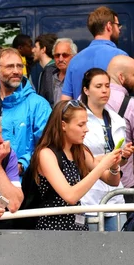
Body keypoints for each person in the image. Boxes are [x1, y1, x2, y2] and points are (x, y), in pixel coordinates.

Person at [29, 100, 122, 230]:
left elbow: (112, 181)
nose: (86, 129)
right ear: (63, 125)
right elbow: (70, 196)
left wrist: (114, 166)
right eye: (81, 125)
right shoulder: (46, 154)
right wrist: (103, 165)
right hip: (53, 229)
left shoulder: (79, 150)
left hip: (77, 227)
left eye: (86, 124)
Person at [0, 47, 51, 174]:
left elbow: (47, 145)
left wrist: (22, 164)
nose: (16, 71)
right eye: (10, 66)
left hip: (23, 181)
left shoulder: (38, 104)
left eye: (19, 66)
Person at [79, 68, 132, 230]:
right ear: (86, 90)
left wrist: (123, 157)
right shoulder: (79, 119)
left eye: (107, 86)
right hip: (88, 196)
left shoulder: (117, 120)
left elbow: (117, 164)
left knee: (118, 250)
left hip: (114, 196)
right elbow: (77, 157)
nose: (104, 90)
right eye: (99, 86)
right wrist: (107, 159)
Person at [61, 6, 127, 101]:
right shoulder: (121, 57)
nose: (119, 29)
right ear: (109, 26)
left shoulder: (74, 60)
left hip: (80, 115)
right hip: (111, 115)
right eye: (117, 25)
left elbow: (65, 100)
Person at [106, 55, 134, 194]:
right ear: (121, 77)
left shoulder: (82, 100)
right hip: (125, 187)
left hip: (92, 186)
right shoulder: (131, 105)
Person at [51, 38, 77, 107]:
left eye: (65, 55)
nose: (60, 59)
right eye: (57, 55)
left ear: (74, 56)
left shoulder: (78, 78)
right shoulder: (49, 76)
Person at [33, 33, 58, 106]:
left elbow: (51, 99)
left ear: (43, 49)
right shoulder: (52, 68)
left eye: (35, 47)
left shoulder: (49, 70)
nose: (32, 50)